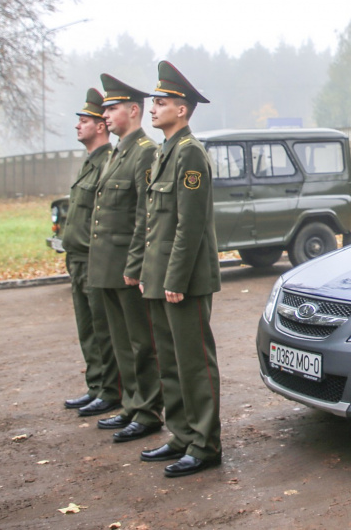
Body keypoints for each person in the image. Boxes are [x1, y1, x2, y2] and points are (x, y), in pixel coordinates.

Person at [136, 61, 222, 477]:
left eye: (162, 102)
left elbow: (190, 226)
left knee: (193, 363)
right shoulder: (164, 152)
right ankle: (182, 433)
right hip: (162, 277)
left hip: (183, 280)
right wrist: (149, 275)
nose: (153, 108)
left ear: (182, 110)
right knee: (169, 362)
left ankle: (205, 444)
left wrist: (174, 280)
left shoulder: (189, 154)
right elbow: (157, 223)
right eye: (154, 101)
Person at [86, 74, 164, 443]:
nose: (106, 116)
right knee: (120, 342)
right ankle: (131, 405)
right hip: (107, 265)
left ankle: (147, 411)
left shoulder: (145, 151)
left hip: (126, 267)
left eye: (112, 108)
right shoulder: (118, 151)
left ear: (133, 111)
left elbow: (143, 214)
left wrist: (135, 265)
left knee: (140, 343)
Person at [60, 88, 121, 417]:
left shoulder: (107, 163)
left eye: (84, 121)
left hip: (95, 260)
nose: (77, 126)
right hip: (78, 260)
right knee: (88, 329)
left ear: (100, 126)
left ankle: (111, 390)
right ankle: (96, 385)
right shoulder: (90, 163)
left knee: (103, 330)